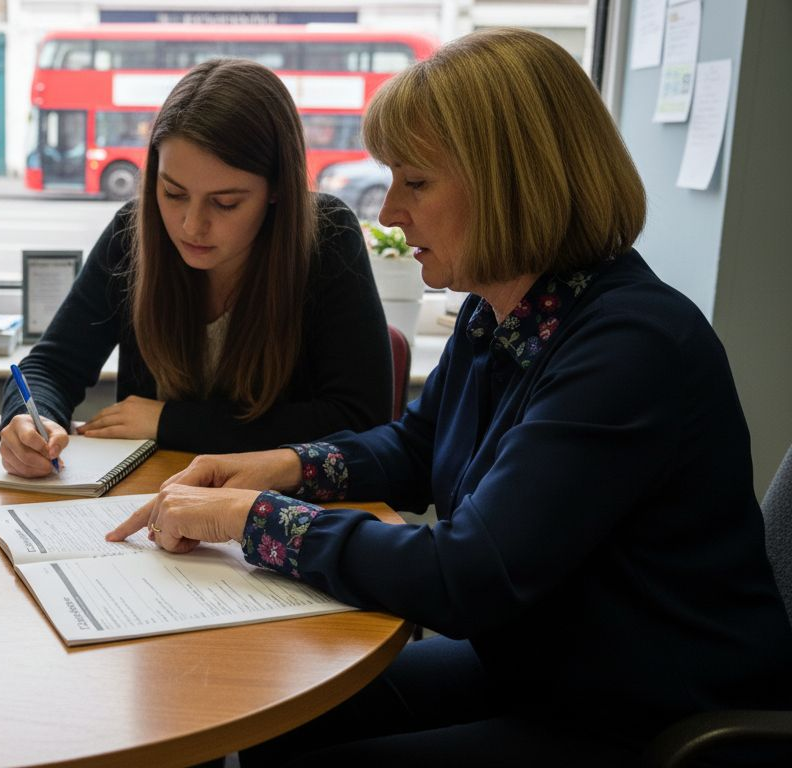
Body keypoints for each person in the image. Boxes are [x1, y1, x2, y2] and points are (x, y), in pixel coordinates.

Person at [107, 28, 792, 765]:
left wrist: (254, 519)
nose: (391, 210)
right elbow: (414, 446)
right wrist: (280, 467)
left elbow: (466, 576)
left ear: (509, 184)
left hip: (642, 714)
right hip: (544, 665)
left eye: (417, 181)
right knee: (273, 719)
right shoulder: (498, 307)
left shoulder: (632, 347)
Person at [0, 58, 392, 478]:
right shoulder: (132, 234)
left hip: (281, 515)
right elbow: (51, 366)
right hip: (153, 506)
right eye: (173, 193)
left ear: (277, 188)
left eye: (226, 203)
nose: (191, 225)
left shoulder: (326, 237)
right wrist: (27, 420)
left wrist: (170, 422)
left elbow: (360, 421)